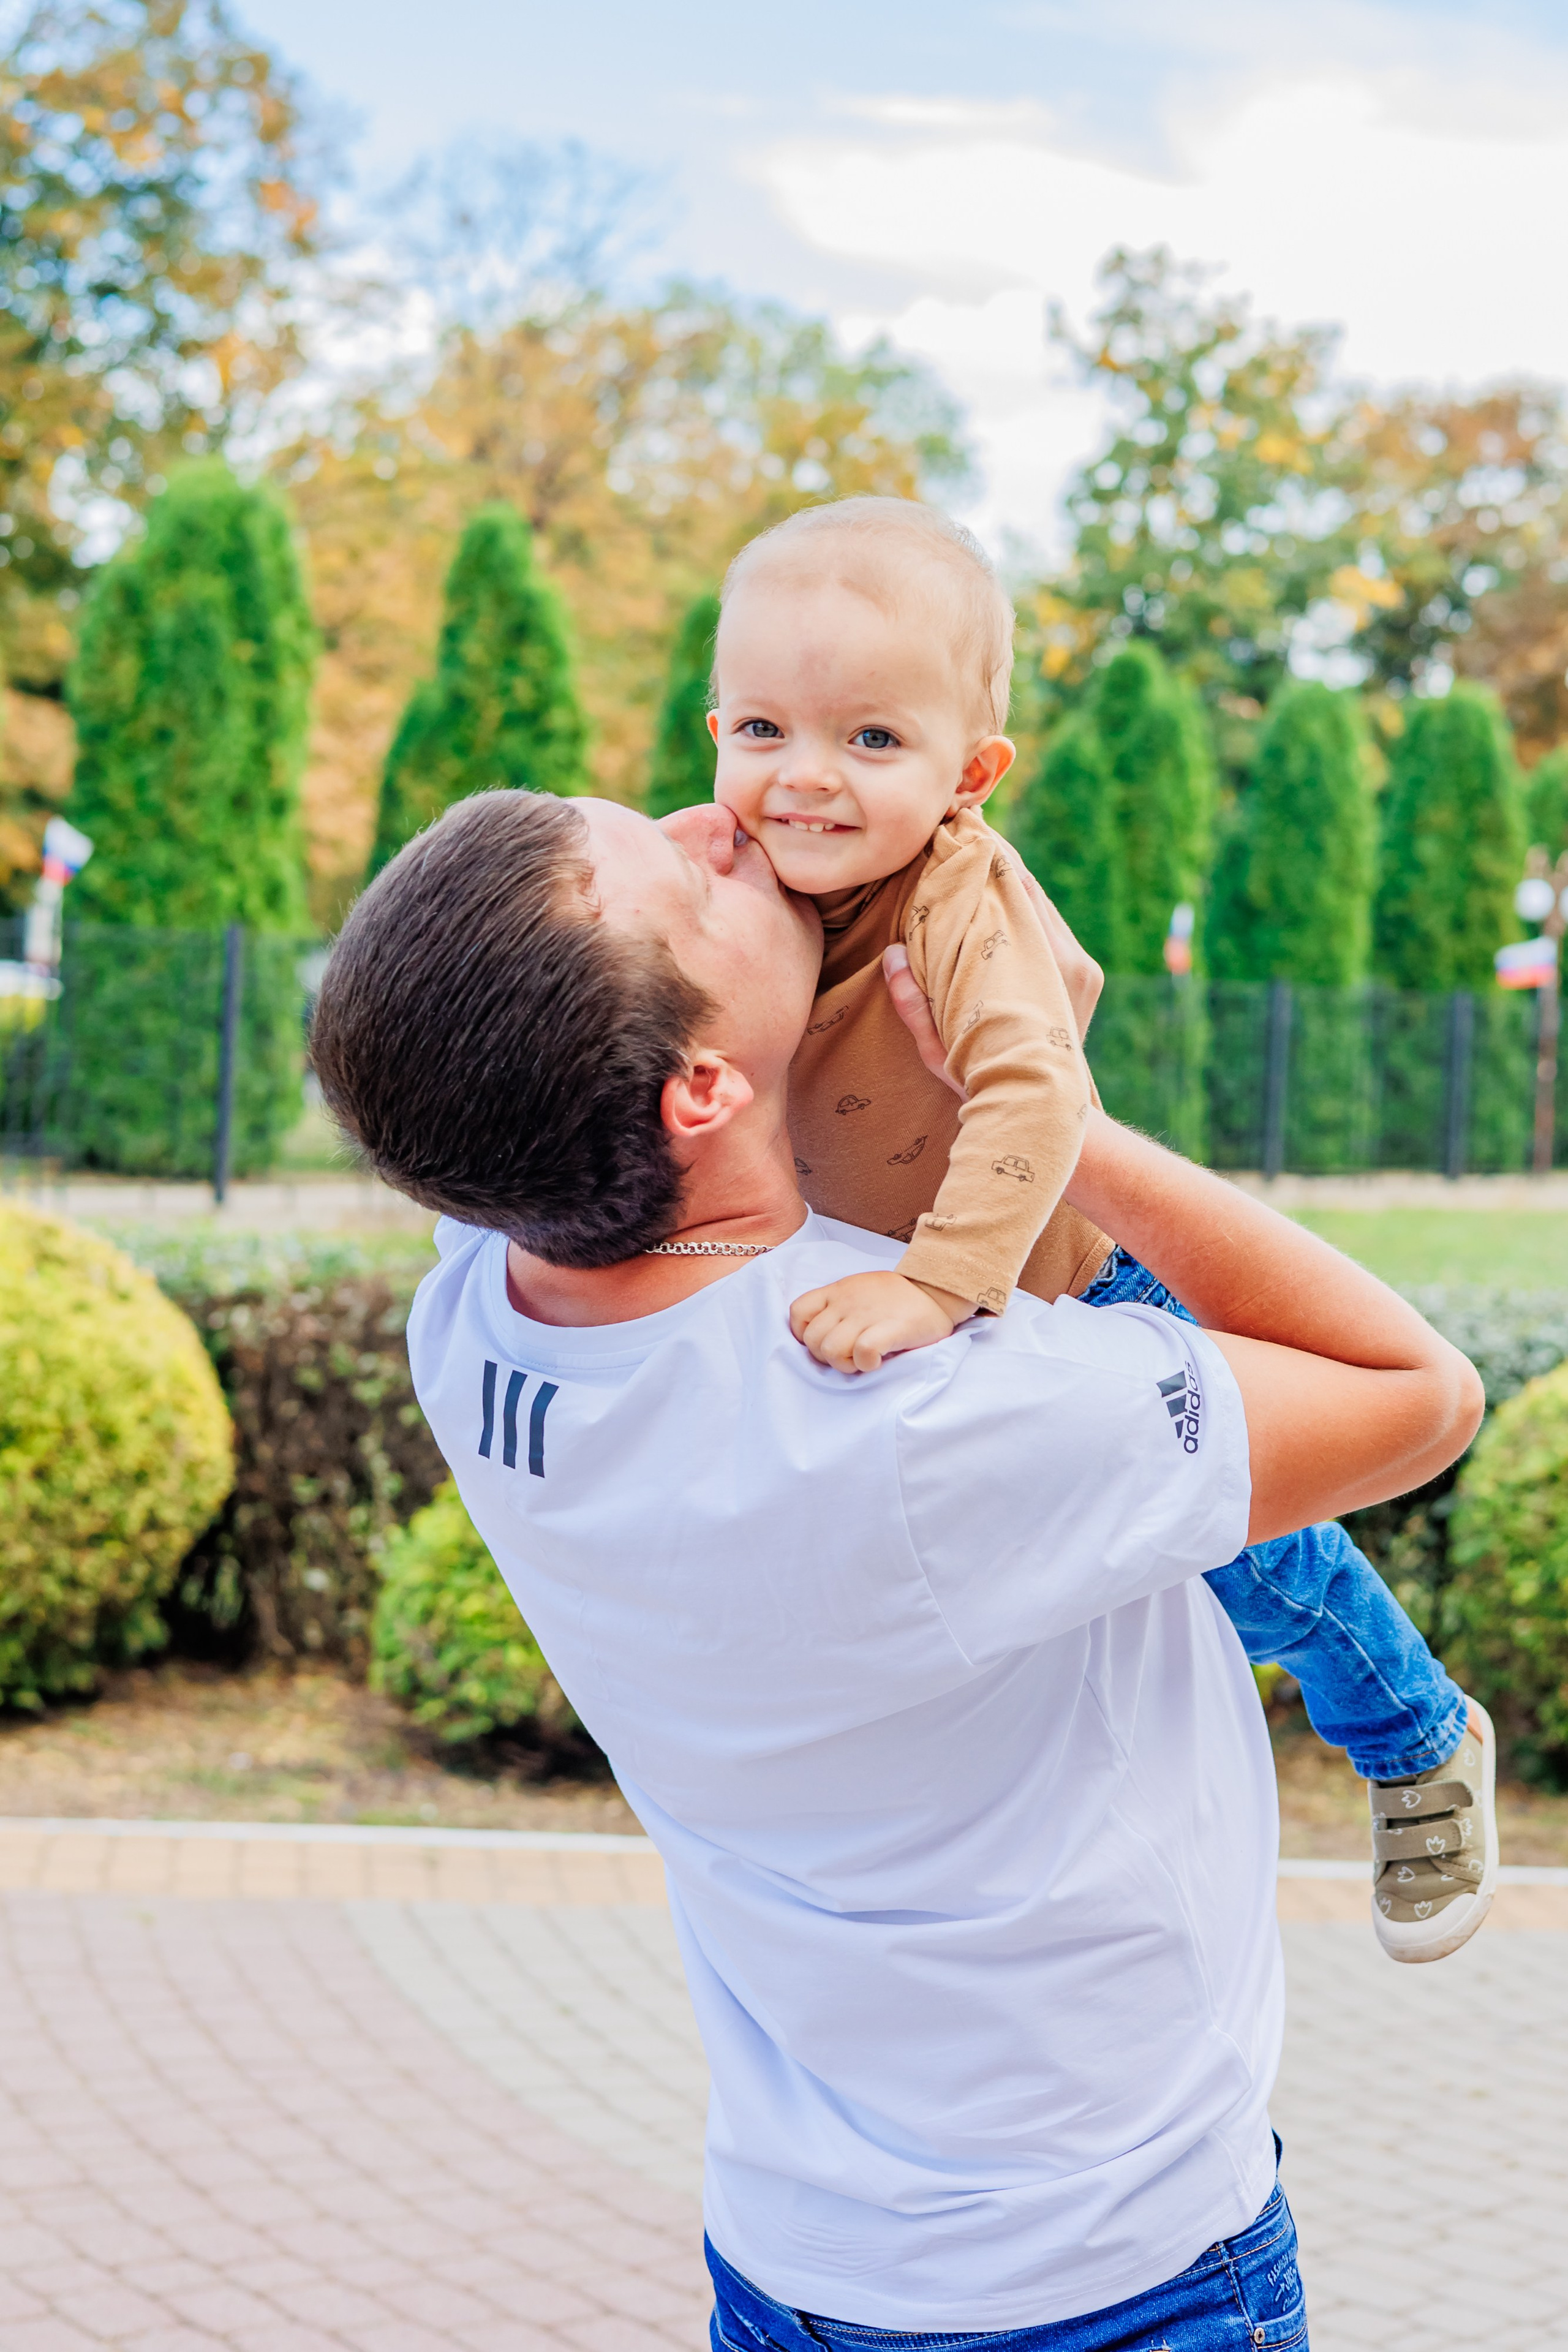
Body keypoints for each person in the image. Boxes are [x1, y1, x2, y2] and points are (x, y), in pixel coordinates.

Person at [311, 786, 1483, 2346]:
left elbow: (512, 1068)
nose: (722, 822)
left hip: (792, 2259)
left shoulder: (476, 1319)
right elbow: (1418, 1396)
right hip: (1110, 2269)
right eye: (687, 878)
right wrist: (1052, 1117)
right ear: (698, 1092)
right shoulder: (906, 1412)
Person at [708, 495, 1496, 1963]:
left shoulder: (961, 897)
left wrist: (937, 1285)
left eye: (869, 739)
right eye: (761, 729)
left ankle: (1414, 1733)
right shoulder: (730, 868)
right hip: (888, 1294)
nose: (803, 776)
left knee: (1249, 1557)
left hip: (1065, 1290)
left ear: (969, 773)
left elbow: (1034, 1093)